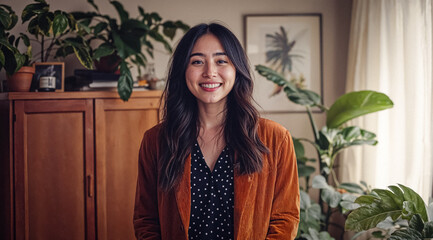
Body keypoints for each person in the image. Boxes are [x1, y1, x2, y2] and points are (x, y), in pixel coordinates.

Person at [133, 22, 300, 240]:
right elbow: (146, 219)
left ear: (236, 69)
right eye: (197, 61)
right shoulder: (156, 140)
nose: (210, 72)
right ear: (183, 71)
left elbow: (285, 219)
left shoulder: (275, 138)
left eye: (221, 61)